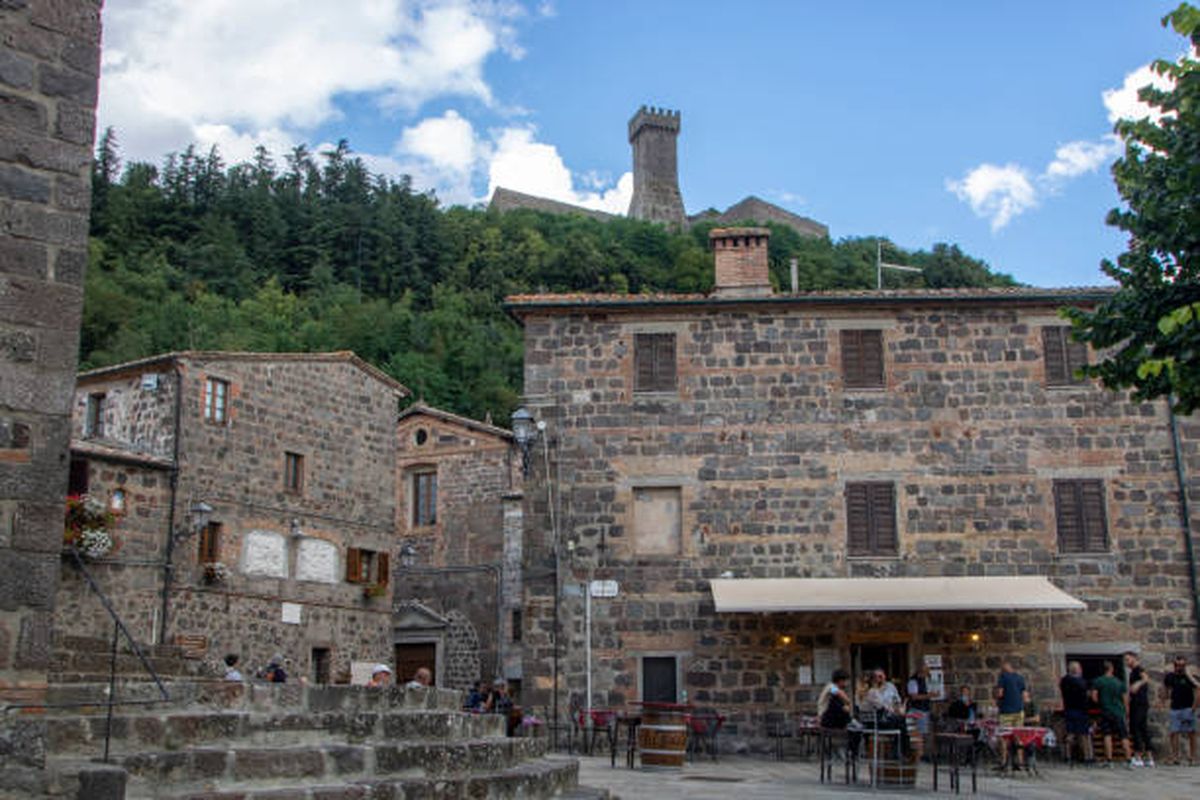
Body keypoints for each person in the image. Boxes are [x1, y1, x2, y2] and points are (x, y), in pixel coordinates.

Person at [1091, 660, 1132, 767]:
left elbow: (1094, 697)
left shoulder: (1098, 681)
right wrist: (1126, 713)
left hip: (1106, 711)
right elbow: (1125, 700)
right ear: (1111, 669)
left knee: (1107, 735)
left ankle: (1109, 760)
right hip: (1118, 712)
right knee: (1124, 736)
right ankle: (1128, 760)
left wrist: (1102, 702)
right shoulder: (1119, 682)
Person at [1163, 655, 1200, 765]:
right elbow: (1166, 688)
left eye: (1182, 665)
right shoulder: (1170, 676)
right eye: (1177, 665)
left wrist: (1194, 707)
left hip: (1188, 707)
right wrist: (1165, 701)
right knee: (1174, 732)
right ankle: (1175, 756)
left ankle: (1192, 757)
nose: (1179, 667)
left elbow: (1198, 689)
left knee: (1191, 732)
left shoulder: (1190, 677)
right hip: (1175, 708)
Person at [994, 661, 1028, 770]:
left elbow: (1000, 693)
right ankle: (1020, 761)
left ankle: (1003, 762)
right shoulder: (1020, 678)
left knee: (1004, 737)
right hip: (1019, 710)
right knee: (1018, 736)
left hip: (1006, 711)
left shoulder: (1003, 677)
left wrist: (997, 700)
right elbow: (1025, 695)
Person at [1059, 661, 1094, 764]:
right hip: (1081, 710)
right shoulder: (1081, 682)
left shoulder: (1064, 681)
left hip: (1069, 709)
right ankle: (1087, 757)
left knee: (1070, 733)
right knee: (1084, 734)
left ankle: (1068, 756)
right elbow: (1086, 694)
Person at [1125, 651, 1154, 767]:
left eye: (1127, 659)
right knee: (1142, 729)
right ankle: (1150, 757)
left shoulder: (1138, 669)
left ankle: (1138, 756)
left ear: (1134, 658)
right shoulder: (1132, 672)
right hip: (1136, 703)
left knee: (1136, 727)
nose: (1126, 662)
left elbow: (1146, 679)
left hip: (1140, 703)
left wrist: (1138, 684)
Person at [906, 664, 932, 760]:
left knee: (922, 733)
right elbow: (914, 696)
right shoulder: (913, 681)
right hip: (917, 709)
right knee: (917, 734)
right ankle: (917, 755)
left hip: (924, 709)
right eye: (926, 671)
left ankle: (921, 754)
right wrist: (929, 696)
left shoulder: (926, 681)